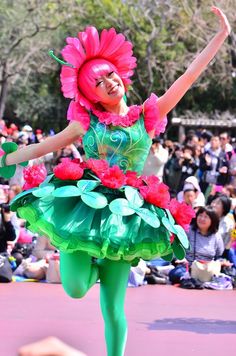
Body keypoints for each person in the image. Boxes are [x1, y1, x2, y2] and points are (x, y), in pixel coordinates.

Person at [0, 6, 231, 356]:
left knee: (112, 307)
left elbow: (186, 78)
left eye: (109, 75)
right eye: (98, 82)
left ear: (119, 74)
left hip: (128, 214)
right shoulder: (85, 124)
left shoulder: (149, 115)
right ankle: (92, 262)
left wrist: (219, 37)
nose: (108, 83)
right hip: (83, 208)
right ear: (91, 95)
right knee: (75, 288)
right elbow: (43, 146)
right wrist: (7, 158)